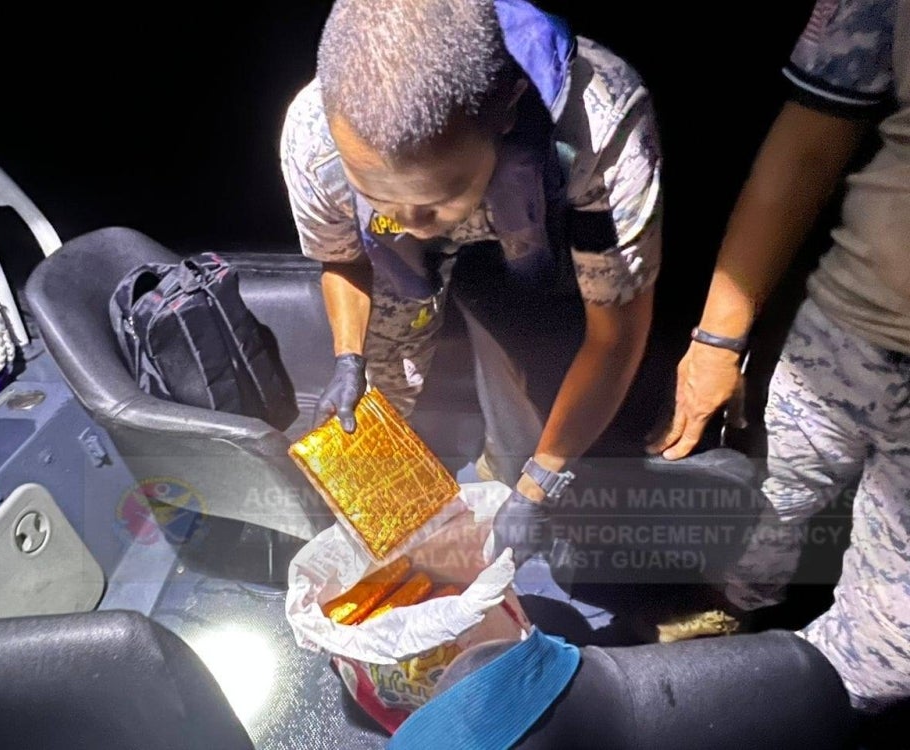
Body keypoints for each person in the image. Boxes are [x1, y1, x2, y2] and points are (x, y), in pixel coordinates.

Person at [279, 0, 662, 542]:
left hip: (539, 221)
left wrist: (539, 485)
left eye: (433, 203)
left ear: (506, 118)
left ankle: (511, 471)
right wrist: (349, 356)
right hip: (393, 263)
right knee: (376, 398)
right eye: (377, 194)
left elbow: (615, 335)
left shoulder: (599, 126)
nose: (410, 225)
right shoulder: (314, 142)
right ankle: (403, 534)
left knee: (544, 386)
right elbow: (342, 256)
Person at [650, 0, 909, 713]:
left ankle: (787, 711)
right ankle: (728, 620)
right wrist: (715, 343)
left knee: (888, 652)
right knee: (760, 509)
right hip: (843, 329)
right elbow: (806, 147)